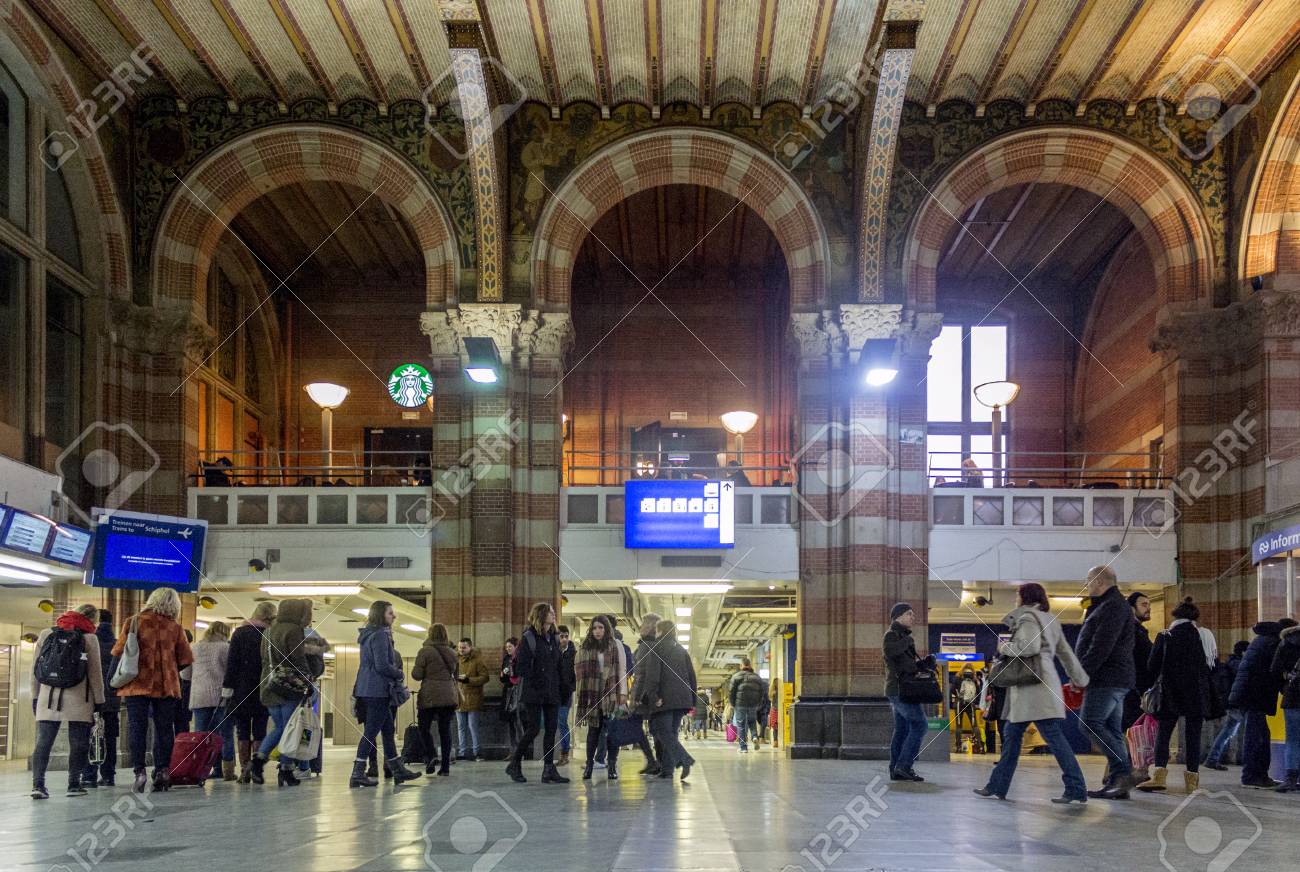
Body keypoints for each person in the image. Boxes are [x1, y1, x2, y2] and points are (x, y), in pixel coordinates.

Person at [973, 583, 1090, 803]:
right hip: (1048, 684)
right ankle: (998, 785)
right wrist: (1080, 680)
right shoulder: (1051, 620)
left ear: (1023, 597)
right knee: (1027, 736)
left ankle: (999, 786)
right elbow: (1066, 654)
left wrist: (1004, 647)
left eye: (1017, 595)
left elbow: (1029, 648)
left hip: (1031, 687)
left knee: (1025, 737)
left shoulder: (1027, 617)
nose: (1015, 600)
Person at [111, 587, 193, 793]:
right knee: (164, 729)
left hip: (136, 683)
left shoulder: (133, 622)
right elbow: (185, 660)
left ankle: (139, 772)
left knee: (137, 728)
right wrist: (168, 668)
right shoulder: (175, 628)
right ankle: (162, 771)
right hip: (167, 686)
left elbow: (119, 651)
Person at [1137, 598, 1214, 793]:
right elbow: (1211, 665)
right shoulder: (1204, 635)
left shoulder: (1166, 635)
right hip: (1197, 693)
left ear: (1175, 617)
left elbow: (1151, 666)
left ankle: (1159, 777)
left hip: (1170, 692)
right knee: (1193, 737)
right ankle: (1192, 782)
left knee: (1163, 735)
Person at [31, 604, 106, 799]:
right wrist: (99, 701)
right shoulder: (90, 638)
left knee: (43, 742)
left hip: (48, 697)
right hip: (79, 697)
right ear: (93, 620)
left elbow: (35, 669)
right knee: (78, 742)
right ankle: (73, 784)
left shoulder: (47, 633)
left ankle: (38, 785)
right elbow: (95, 673)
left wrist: (35, 696)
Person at [1074, 566, 1136, 799]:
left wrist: (1081, 675)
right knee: (1111, 729)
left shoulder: (1112, 606)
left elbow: (1101, 646)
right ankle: (1118, 782)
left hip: (1107, 678)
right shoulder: (1109, 605)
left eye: (1089, 580)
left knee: (1089, 723)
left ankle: (1123, 773)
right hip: (1113, 678)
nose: (1087, 584)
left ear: (1099, 581)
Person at [350, 601, 421, 788]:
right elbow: (382, 665)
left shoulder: (367, 635)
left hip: (369, 688)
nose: (394, 616)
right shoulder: (380, 635)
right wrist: (399, 673)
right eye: (391, 613)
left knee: (388, 731)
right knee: (371, 732)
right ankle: (357, 772)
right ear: (382, 615)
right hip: (378, 690)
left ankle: (398, 770)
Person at [1228, 617, 1298, 788]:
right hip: (1255, 695)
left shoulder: (1264, 639)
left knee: (1259, 735)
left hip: (1249, 694)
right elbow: (1275, 670)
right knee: (1257, 737)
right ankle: (1253, 775)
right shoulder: (1273, 643)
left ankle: (1256, 774)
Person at [253, 598, 314, 787]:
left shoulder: (268, 631)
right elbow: (298, 659)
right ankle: (284, 769)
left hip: (269, 685)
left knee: (280, 728)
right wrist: (308, 679)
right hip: (289, 687)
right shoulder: (294, 630)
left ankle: (259, 760)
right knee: (291, 730)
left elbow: (264, 658)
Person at [507, 602, 568, 785]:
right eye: (550, 612)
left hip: (552, 691)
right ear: (541, 615)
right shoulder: (529, 638)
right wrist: (539, 677)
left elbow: (558, 666)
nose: (553, 614)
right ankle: (515, 763)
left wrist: (563, 687)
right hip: (534, 692)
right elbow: (521, 667)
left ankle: (548, 769)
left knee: (551, 730)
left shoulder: (554, 638)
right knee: (533, 729)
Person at [221, 600, 274, 783]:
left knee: (242, 730)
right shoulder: (270, 634)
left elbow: (232, 663)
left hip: (241, 690)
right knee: (260, 730)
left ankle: (244, 769)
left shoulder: (240, 633)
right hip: (263, 688)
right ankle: (256, 768)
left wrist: (227, 688)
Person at [638, 619, 697, 781]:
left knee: (661, 731)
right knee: (671, 733)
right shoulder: (681, 650)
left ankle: (685, 759)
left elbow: (652, 676)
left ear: (660, 631)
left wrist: (654, 696)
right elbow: (692, 676)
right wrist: (692, 699)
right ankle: (667, 770)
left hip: (664, 699)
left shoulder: (656, 649)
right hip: (682, 699)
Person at [574, 615, 628, 780]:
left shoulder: (616, 645)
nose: (597, 631)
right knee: (593, 731)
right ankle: (589, 765)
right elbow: (577, 670)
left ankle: (611, 765)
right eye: (595, 628)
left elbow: (622, 670)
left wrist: (623, 693)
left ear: (607, 629)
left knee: (612, 732)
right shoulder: (585, 647)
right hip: (592, 694)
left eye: (601, 628)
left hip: (611, 694)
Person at [883, 602, 932, 783]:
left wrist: (923, 664)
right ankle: (904, 766)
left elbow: (906, 666)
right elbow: (890, 653)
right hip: (899, 690)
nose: (913, 617)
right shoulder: (892, 635)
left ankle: (896, 769)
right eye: (909, 614)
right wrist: (907, 642)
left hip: (903, 689)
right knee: (920, 725)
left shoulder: (902, 636)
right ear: (899, 616)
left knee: (902, 730)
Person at [189, 621, 236, 782]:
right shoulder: (225, 648)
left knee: (202, 735)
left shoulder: (195, 647)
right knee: (224, 734)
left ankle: (199, 769)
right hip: (221, 697)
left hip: (199, 696)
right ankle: (225, 770)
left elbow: (185, 674)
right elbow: (231, 672)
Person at [412, 623, 459, 776]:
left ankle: (431, 754)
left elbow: (416, 675)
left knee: (424, 728)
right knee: (445, 731)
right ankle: (445, 767)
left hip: (429, 695)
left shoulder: (425, 651)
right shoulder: (452, 653)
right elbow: (455, 675)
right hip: (448, 695)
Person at [82, 609, 119, 788]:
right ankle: (108, 775)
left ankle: (88, 775)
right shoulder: (117, 643)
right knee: (110, 737)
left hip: (91, 697)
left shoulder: (87, 641)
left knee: (89, 736)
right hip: (112, 699)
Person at [1206, 640, 1251, 770]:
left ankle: (1213, 758)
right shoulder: (1238, 664)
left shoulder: (1231, 663)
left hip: (1233, 702)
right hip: (1238, 702)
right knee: (1229, 731)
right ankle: (1213, 758)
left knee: (1228, 731)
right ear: (1243, 652)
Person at [628, 613, 664, 775]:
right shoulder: (659, 646)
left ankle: (653, 761)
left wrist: (634, 698)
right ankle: (659, 762)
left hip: (644, 697)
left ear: (649, 627)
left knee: (636, 727)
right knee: (656, 728)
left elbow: (640, 675)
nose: (640, 626)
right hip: (655, 694)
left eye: (643, 624)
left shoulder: (645, 646)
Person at [1270, 623, 1300, 792]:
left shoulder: (1286, 642)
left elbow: (1275, 670)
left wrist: (1286, 686)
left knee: (1293, 741)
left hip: (1293, 697)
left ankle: (1290, 780)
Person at [1123, 592, 1155, 731]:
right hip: (1133, 692)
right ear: (1131, 608)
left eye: (1149, 605)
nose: (1148, 608)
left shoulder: (1139, 631)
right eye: (1143, 605)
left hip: (1137, 691)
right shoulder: (1130, 631)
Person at [455, 638, 489, 761]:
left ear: (470, 647)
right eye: (459, 647)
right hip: (459, 697)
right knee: (461, 727)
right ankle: (462, 752)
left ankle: (477, 752)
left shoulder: (477, 661)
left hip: (473, 697)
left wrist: (469, 680)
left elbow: (485, 677)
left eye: (463, 647)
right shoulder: (455, 660)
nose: (461, 650)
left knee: (472, 726)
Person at [728, 657, 768, 753]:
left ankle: (743, 748)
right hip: (753, 704)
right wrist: (758, 703)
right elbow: (762, 692)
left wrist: (733, 703)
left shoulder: (736, 676)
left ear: (741, 665)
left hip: (740, 704)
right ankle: (754, 737)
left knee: (741, 725)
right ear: (750, 665)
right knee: (752, 722)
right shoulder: (757, 677)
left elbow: (731, 692)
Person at [557, 624, 577, 766]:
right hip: (552, 694)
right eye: (561, 636)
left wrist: (570, 687)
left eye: (565, 636)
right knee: (556, 723)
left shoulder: (573, 653)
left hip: (565, 694)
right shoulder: (552, 651)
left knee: (562, 722)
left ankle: (565, 753)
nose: (563, 639)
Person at [951, 665, 983, 752]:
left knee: (958, 726)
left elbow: (952, 689)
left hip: (959, 703)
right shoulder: (974, 679)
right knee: (975, 725)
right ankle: (981, 747)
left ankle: (958, 747)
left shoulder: (957, 678)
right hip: (970, 704)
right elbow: (979, 691)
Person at [500, 637, 520, 756]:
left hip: (517, 692)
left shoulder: (519, 659)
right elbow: (502, 677)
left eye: (510, 647)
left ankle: (519, 751)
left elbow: (520, 674)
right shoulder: (506, 658)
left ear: (516, 647)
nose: (508, 649)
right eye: (506, 647)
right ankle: (512, 750)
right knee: (511, 723)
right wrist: (503, 674)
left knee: (518, 722)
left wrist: (511, 671)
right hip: (508, 691)